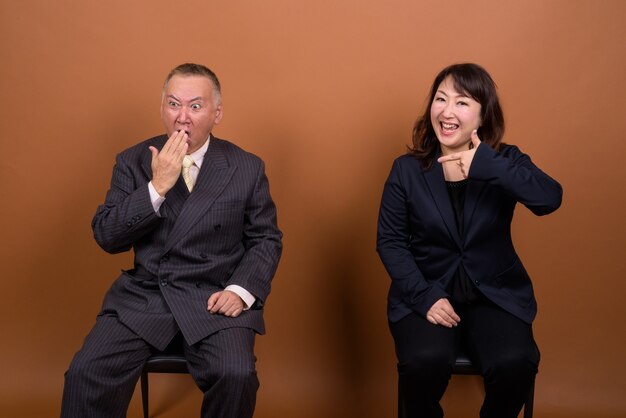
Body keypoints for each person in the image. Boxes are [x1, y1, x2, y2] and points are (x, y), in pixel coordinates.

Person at [61, 63, 282, 418]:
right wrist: (156, 188)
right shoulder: (132, 161)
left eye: (195, 106)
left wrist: (240, 291)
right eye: (173, 104)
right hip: (146, 297)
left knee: (236, 374)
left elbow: (266, 239)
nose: (183, 117)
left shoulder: (246, 166)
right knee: (85, 374)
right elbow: (106, 236)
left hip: (215, 297)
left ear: (217, 113)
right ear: (162, 108)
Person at [376, 63, 562, 418]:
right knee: (423, 361)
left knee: (516, 363)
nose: (447, 111)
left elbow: (550, 198)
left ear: (482, 116)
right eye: (440, 99)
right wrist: (424, 295)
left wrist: (488, 165)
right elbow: (390, 241)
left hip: (494, 295)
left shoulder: (505, 161)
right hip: (427, 291)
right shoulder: (407, 169)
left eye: (462, 103)